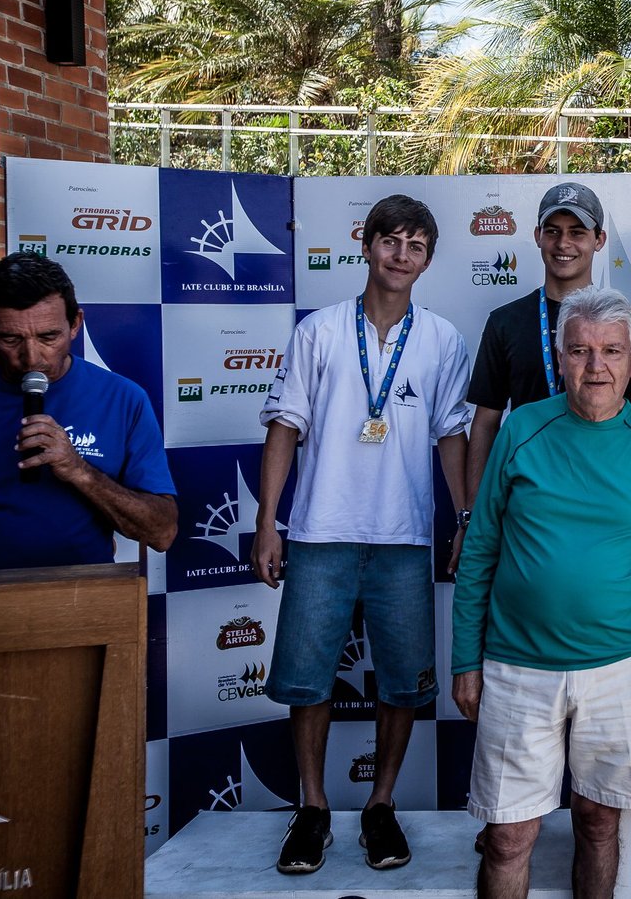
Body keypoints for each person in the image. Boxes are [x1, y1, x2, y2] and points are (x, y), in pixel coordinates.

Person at [253, 194, 470, 875]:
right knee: (307, 679)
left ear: (428, 260)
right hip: (320, 532)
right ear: (367, 244)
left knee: (403, 683)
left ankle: (381, 805)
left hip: (404, 539)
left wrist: (464, 519)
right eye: (390, 241)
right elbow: (285, 426)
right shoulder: (318, 331)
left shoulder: (443, 339)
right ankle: (313, 808)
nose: (401, 256)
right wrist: (268, 521)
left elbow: (453, 436)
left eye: (415, 246)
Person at [452, 285, 631, 899]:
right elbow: (479, 552)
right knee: (508, 837)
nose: (596, 366)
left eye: (611, 351)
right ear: (560, 358)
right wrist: (465, 662)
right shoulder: (521, 430)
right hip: (516, 667)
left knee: (598, 822)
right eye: (580, 350)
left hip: (621, 671)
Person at [459, 182, 631, 573]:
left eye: (577, 232)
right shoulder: (505, 323)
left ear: (599, 240)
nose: (563, 243)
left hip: (608, 501)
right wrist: (472, 516)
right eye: (553, 231)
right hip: (528, 505)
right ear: (537, 236)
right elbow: (485, 423)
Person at [0, 253, 176, 569]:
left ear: (75, 324)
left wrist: (78, 470)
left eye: (48, 337)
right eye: (11, 338)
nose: (32, 358)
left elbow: (162, 533)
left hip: (83, 591)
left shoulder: (123, 398)